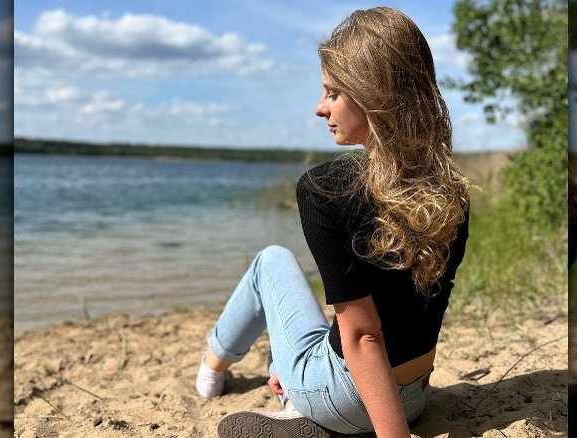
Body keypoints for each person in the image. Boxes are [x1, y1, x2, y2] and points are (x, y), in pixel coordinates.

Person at [195, 7, 472, 438]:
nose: (319, 108)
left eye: (333, 93)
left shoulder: (326, 188)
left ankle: (214, 370)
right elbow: (413, 307)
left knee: (270, 261)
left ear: (372, 95)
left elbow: (364, 338)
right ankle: (300, 400)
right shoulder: (449, 191)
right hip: (414, 397)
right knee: (319, 335)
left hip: (352, 395)